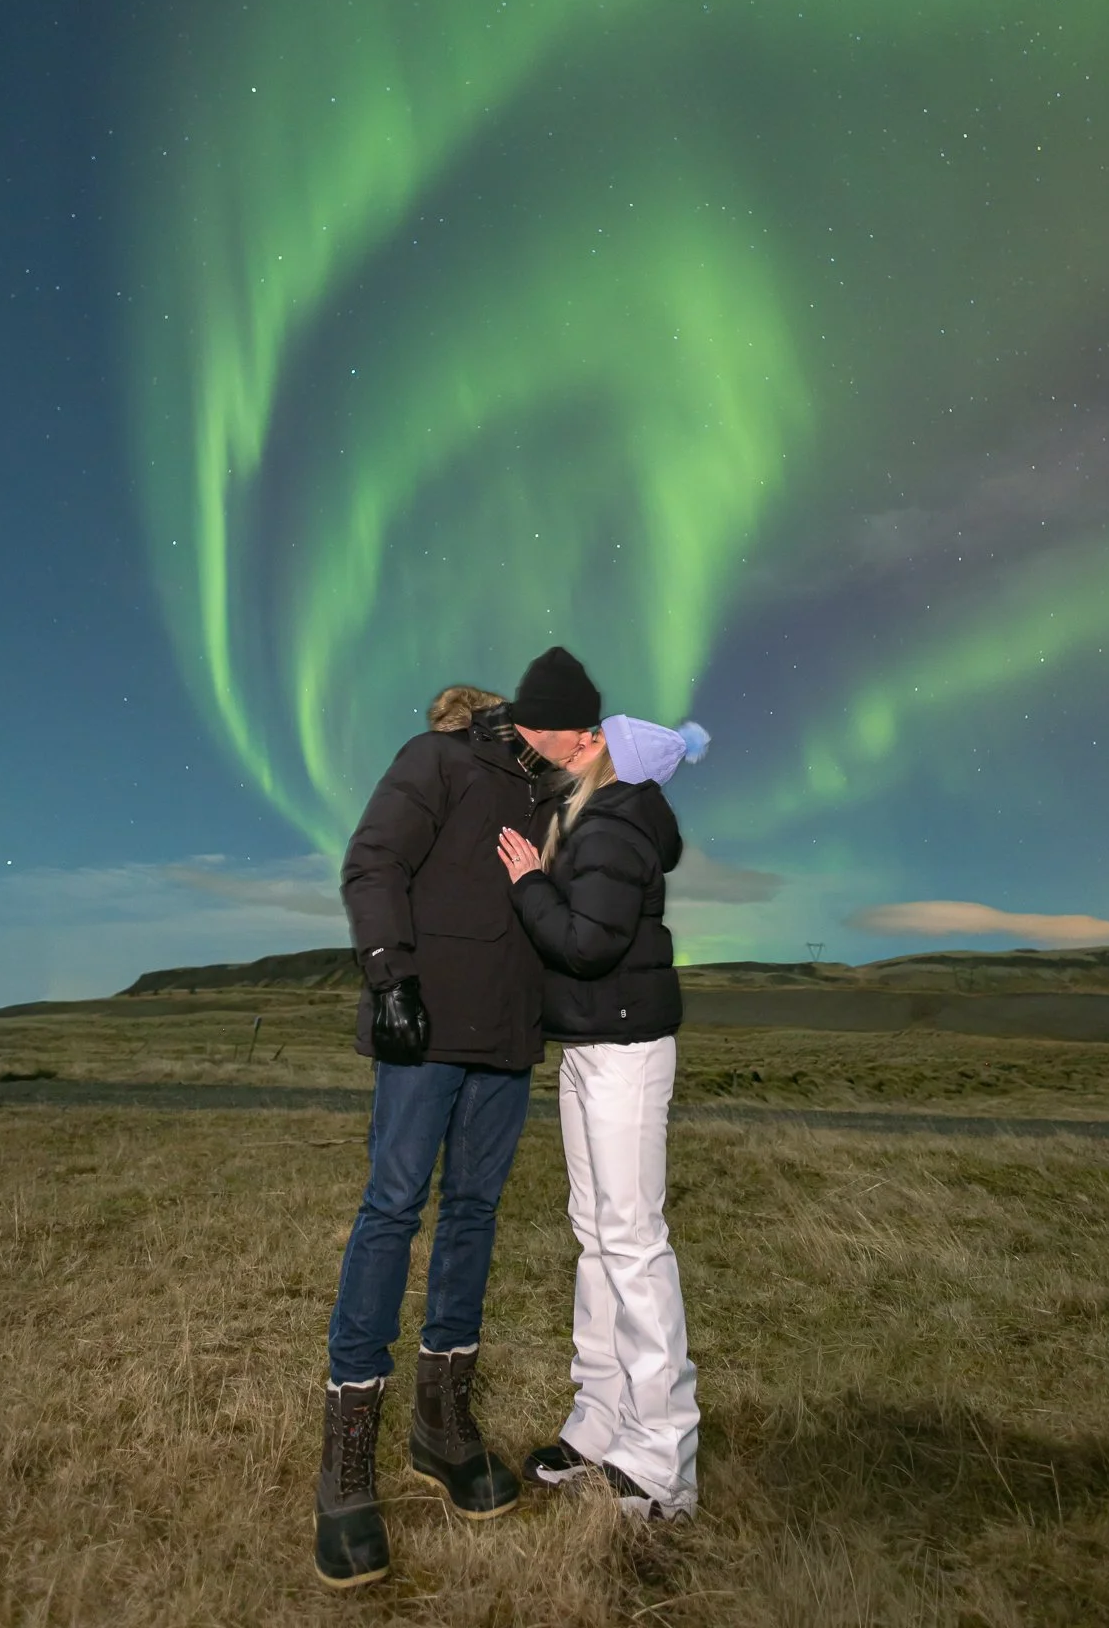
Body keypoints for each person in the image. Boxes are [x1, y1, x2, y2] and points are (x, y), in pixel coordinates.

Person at [314, 647, 603, 1590]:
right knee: (393, 1209)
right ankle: (347, 1471)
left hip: (507, 1040)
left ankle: (442, 1429)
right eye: (578, 726)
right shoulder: (435, 762)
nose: (587, 742)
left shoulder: (553, 794)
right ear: (534, 716)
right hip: (426, 1029)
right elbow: (373, 863)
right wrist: (390, 976)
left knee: (474, 1215)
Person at [496, 713, 708, 1521]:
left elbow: (586, 943)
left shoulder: (619, 828)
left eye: (594, 739)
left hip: (624, 1048)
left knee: (631, 1238)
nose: (577, 744)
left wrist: (527, 886)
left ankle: (662, 1461)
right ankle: (601, 1422)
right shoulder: (594, 816)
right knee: (595, 1233)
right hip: (590, 1043)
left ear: (617, 761)